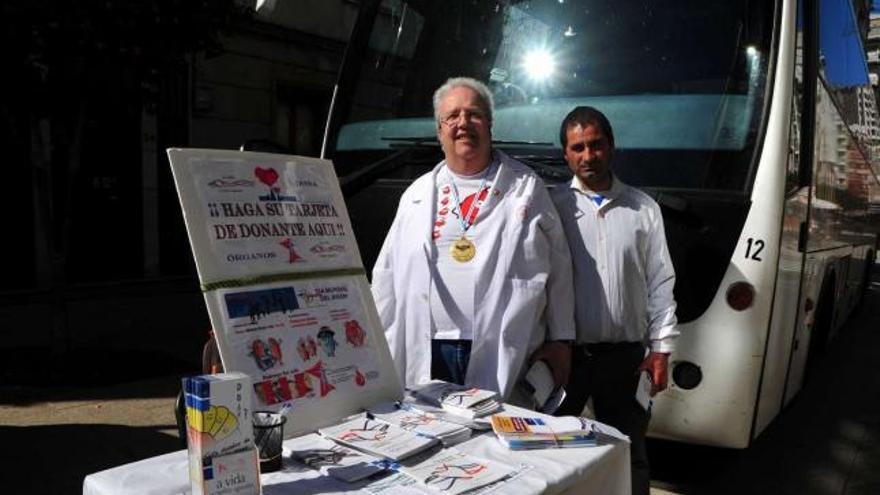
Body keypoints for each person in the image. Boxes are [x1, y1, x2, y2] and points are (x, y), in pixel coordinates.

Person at [371, 77, 574, 403]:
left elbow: (561, 267)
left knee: (489, 443)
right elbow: (386, 276)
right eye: (452, 116)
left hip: (500, 348)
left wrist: (562, 339)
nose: (463, 123)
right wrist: (372, 347)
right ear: (440, 131)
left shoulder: (526, 187)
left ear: (489, 125)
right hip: (427, 347)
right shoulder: (416, 195)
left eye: (474, 114)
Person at [551, 106, 678, 495]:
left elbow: (661, 282)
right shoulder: (553, 208)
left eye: (596, 145)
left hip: (625, 359)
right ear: (566, 154)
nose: (588, 156)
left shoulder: (644, 209)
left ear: (612, 146)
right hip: (566, 358)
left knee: (628, 453)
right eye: (578, 148)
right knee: (552, 452)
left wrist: (662, 348)